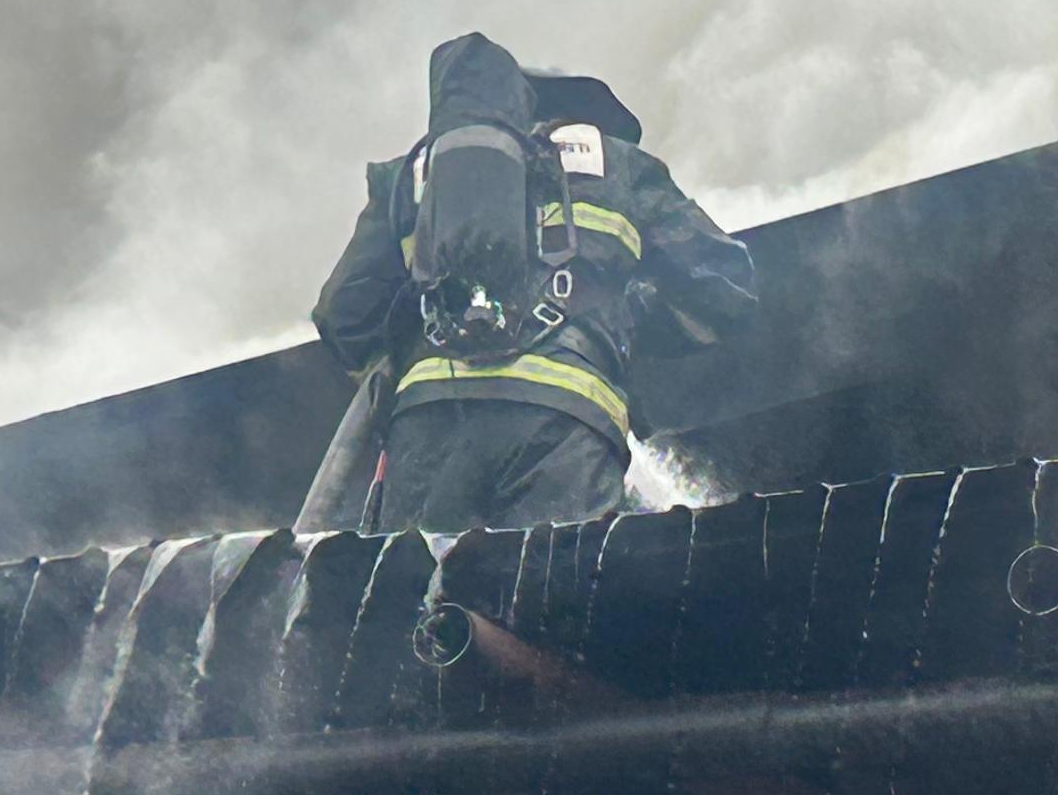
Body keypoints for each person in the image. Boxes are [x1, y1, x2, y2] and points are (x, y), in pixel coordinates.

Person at [310, 34, 755, 532]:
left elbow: (342, 314)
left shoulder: (415, 177)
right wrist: (622, 325)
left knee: (419, 591)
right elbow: (725, 288)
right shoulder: (622, 168)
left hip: (429, 421)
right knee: (547, 594)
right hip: (565, 422)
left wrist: (420, 348)